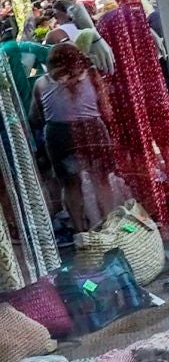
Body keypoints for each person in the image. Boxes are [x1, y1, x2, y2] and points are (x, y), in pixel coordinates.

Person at [30, 42, 114, 232]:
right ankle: (110, 227)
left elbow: (36, 116)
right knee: (101, 181)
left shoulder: (41, 83)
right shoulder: (92, 76)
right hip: (92, 129)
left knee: (70, 184)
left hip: (59, 135)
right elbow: (106, 111)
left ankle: (79, 231)